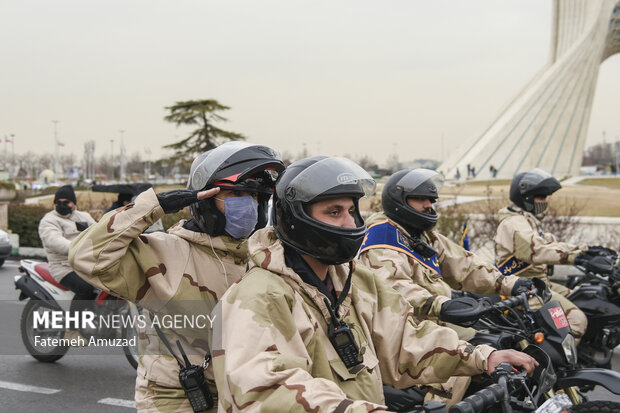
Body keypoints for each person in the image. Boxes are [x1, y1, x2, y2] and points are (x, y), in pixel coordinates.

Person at [212, 156, 537, 412]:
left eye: (352, 211)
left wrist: (481, 357)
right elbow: (267, 391)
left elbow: (405, 339)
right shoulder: (257, 297)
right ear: (297, 219)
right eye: (334, 211)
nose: (350, 223)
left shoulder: (352, 280)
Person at [69, 141, 285, 413]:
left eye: (257, 197)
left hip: (240, 398)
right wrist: (154, 206)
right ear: (204, 199)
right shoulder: (163, 252)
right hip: (177, 400)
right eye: (239, 194)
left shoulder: (261, 258)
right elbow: (87, 256)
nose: (251, 205)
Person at [357, 168, 532, 406]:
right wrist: (441, 304)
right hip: (404, 328)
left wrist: (509, 284)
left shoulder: (420, 235)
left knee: (497, 339)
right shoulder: (383, 239)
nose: (429, 205)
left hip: (431, 321)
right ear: (399, 201)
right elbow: (395, 289)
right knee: (460, 363)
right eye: (420, 199)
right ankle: (439, 405)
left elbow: (465, 264)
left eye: (431, 200)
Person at [494, 168, 588, 341]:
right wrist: (576, 258)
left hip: (540, 284)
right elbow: (537, 249)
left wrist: (586, 251)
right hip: (523, 289)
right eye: (541, 197)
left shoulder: (527, 220)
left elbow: (550, 243)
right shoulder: (514, 223)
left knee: (585, 297)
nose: (545, 202)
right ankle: (560, 365)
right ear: (527, 198)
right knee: (576, 320)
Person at [38, 184, 96, 341]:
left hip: (86, 264)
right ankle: (72, 330)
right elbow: (54, 241)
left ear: (74, 204)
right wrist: (78, 249)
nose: (62, 205)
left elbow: (98, 233)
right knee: (85, 288)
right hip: (63, 267)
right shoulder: (49, 220)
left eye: (66, 202)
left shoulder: (83, 217)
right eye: (59, 202)